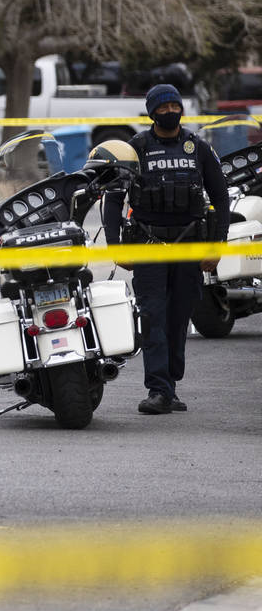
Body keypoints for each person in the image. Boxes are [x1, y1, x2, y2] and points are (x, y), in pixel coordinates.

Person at [100, 83, 230, 415]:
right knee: (153, 316)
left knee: (178, 319)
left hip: (189, 246)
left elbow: (221, 198)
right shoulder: (136, 147)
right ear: (151, 112)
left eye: (175, 105)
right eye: (163, 107)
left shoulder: (198, 148)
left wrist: (217, 247)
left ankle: (170, 384)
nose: (170, 111)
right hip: (148, 244)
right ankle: (158, 389)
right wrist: (116, 247)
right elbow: (114, 199)